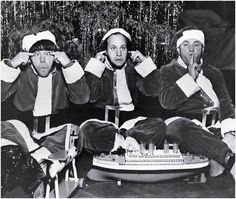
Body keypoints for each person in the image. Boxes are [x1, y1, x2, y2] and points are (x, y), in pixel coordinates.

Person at [159, 26, 235, 179]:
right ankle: (229, 159)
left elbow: (225, 103)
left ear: (202, 48)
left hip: (214, 127)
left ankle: (218, 153)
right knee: (178, 128)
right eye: (186, 45)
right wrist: (190, 78)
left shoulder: (214, 72)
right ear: (178, 49)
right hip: (185, 126)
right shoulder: (168, 70)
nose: (191, 50)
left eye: (197, 45)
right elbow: (166, 102)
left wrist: (230, 132)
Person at [1, 30, 90, 130]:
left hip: (58, 133)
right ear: (28, 58)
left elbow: (82, 99)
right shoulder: (21, 74)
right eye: (37, 54)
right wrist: (11, 65)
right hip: (24, 131)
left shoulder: (62, 74)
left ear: (55, 56)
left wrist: (69, 65)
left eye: (47, 54)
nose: (43, 60)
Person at [84, 28, 161, 125]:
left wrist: (145, 63)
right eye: (113, 48)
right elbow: (90, 97)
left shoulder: (134, 69)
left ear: (128, 50)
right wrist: (95, 68)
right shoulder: (99, 68)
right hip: (101, 118)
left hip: (131, 118)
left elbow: (153, 91)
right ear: (105, 51)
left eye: (122, 48)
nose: (119, 53)